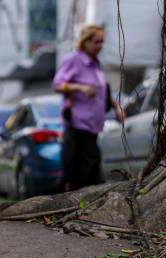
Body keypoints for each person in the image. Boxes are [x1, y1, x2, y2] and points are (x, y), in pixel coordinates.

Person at [53, 24, 123, 192]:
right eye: (97, 42)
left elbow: (102, 90)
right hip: (79, 123)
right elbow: (57, 85)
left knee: (90, 164)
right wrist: (80, 88)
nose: (101, 46)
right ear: (85, 42)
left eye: (102, 42)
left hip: (93, 124)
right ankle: (82, 203)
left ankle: (85, 202)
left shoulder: (95, 63)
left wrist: (117, 107)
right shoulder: (74, 60)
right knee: (88, 164)